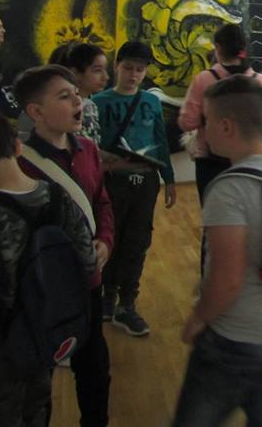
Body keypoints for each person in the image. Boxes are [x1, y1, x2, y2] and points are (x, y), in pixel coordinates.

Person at [0, 102, 96, 427]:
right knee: (36, 413)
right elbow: (88, 261)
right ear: (18, 146)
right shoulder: (58, 197)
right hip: (42, 337)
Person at [172, 75, 262, 426]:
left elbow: (227, 279)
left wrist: (199, 318)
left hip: (240, 339)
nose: (202, 130)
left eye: (206, 121)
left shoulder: (229, 189)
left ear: (225, 126)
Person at [13, 65, 114, 427]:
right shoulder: (20, 164)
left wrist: (105, 241)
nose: (78, 102)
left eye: (76, 94)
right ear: (35, 111)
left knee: (94, 365)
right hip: (45, 288)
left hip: (89, 280)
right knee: (38, 371)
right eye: (64, 96)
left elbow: (102, 201)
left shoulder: (88, 149)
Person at [93, 41, 176, 336]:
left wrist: (169, 178)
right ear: (117, 66)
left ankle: (127, 303)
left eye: (140, 70)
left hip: (145, 180)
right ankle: (107, 295)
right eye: (128, 68)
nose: (133, 75)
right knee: (110, 237)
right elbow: (92, 146)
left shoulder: (151, 102)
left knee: (138, 241)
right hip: (112, 182)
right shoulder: (98, 102)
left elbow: (161, 141)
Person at [179, 25, 262, 205]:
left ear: (217, 48)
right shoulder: (260, 81)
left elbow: (187, 122)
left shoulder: (203, 79)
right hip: (251, 159)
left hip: (210, 161)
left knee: (214, 212)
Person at [66, 43, 110, 145]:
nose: (106, 77)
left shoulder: (90, 104)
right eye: (97, 70)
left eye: (105, 70)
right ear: (75, 73)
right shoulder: (68, 107)